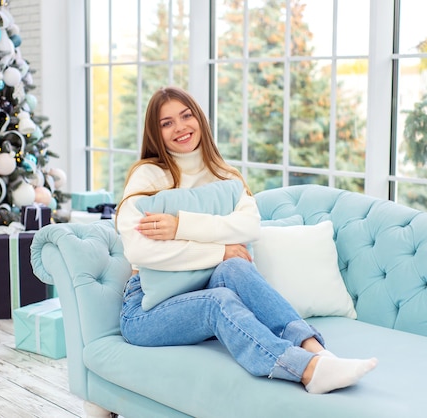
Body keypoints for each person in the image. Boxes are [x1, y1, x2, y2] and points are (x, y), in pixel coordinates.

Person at [115, 86, 377, 394]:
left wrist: (181, 226)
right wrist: (220, 250)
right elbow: (139, 249)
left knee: (235, 269)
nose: (180, 127)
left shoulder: (223, 175)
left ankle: (318, 352)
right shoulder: (147, 176)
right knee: (219, 298)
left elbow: (249, 226)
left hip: (200, 287)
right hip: (146, 311)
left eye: (186, 116)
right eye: (167, 122)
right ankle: (306, 370)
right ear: (155, 132)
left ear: (200, 119)